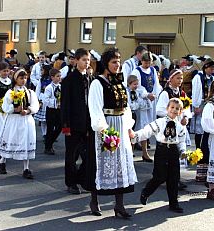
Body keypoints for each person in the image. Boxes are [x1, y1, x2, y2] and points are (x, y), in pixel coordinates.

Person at [86, 47, 137, 219]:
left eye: (119, 61)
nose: (118, 64)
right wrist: (104, 131)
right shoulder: (97, 83)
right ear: (105, 64)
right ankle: (94, 200)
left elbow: (126, 107)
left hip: (121, 126)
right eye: (114, 61)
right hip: (106, 126)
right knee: (101, 164)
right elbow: (95, 109)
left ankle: (119, 205)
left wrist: (129, 127)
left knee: (120, 165)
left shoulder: (119, 83)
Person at [133, 98, 186, 213]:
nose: (174, 110)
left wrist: (183, 151)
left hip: (173, 151)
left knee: (174, 178)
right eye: (172, 107)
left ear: (180, 111)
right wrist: (135, 136)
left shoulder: (180, 127)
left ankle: (173, 203)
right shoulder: (160, 122)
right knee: (160, 176)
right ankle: (146, 192)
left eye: (177, 109)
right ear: (167, 108)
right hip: (162, 150)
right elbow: (147, 131)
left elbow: (182, 140)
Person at [0, 69, 40, 179]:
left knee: (26, 142)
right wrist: (15, 109)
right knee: (11, 140)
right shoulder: (10, 92)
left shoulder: (29, 92)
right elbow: (5, 106)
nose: (23, 80)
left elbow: (35, 106)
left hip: (26, 121)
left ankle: (26, 168)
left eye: (25, 78)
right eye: (21, 78)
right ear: (15, 79)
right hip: (14, 121)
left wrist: (28, 111)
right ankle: (2, 160)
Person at [61, 48, 92, 195]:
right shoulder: (69, 80)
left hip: (87, 123)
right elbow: (65, 104)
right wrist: (66, 126)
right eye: (84, 60)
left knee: (89, 155)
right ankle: (71, 182)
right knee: (71, 155)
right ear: (77, 60)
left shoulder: (91, 79)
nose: (86, 63)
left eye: (88, 60)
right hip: (73, 124)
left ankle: (80, 177)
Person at [156, 69, 191, 190]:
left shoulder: (182, 93)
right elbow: (159, 110)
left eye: (181, 78)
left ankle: (176, 178)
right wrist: (173, 116)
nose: (180, 81)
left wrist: (185, 117)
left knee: (178, 152)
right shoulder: (166, 93)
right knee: (167, 153)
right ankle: (163, 177)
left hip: (179, 127)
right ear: (171, 79)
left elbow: (186, 108)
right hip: (168, 128)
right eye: (178, 78)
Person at [130, 51, 162, 162]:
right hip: (140, 103)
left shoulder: (153, 70)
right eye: (145, 62)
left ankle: (144, 152)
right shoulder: (137, 71)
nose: (147, 64)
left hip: (151, 102)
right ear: (141, 61)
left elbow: (156, 85)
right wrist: (146, 95)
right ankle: (132, 152)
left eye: (149, 62)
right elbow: (135, 86)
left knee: (147, 128)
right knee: (139, 128)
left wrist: (155, 95)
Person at [191, 58, 214, 182]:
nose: (212, 71)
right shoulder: (199, 77)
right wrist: (196, 105)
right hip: (200, 103)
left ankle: (204, 151)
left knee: (205, 128)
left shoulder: (212, 78)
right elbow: (196, 90)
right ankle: (198, 149)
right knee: (199, 129)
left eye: (213, 69)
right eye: (211, 68)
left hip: (208, 104)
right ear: (205, 67)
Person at [43, 68, 62, 155]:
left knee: (59, 127)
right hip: (51, 110)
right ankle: (48, 147)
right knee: (50, 129)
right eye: (57, 76)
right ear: (52, 77)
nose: (59, 78)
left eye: (60, 76)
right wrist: (55, 103)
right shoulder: (49, 88)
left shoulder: (61, 87)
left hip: (59, 110)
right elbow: (45, 100)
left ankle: (50, 142)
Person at [34, 64, 52, 140]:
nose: (41, 71)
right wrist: (37, 99)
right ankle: (44, 134)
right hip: (42, 98)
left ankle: (49, 133)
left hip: (49, 99)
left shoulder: (51, 79)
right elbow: (38, 90)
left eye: (42, 70)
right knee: (43, 120)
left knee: (49, 119)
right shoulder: (41, 79)